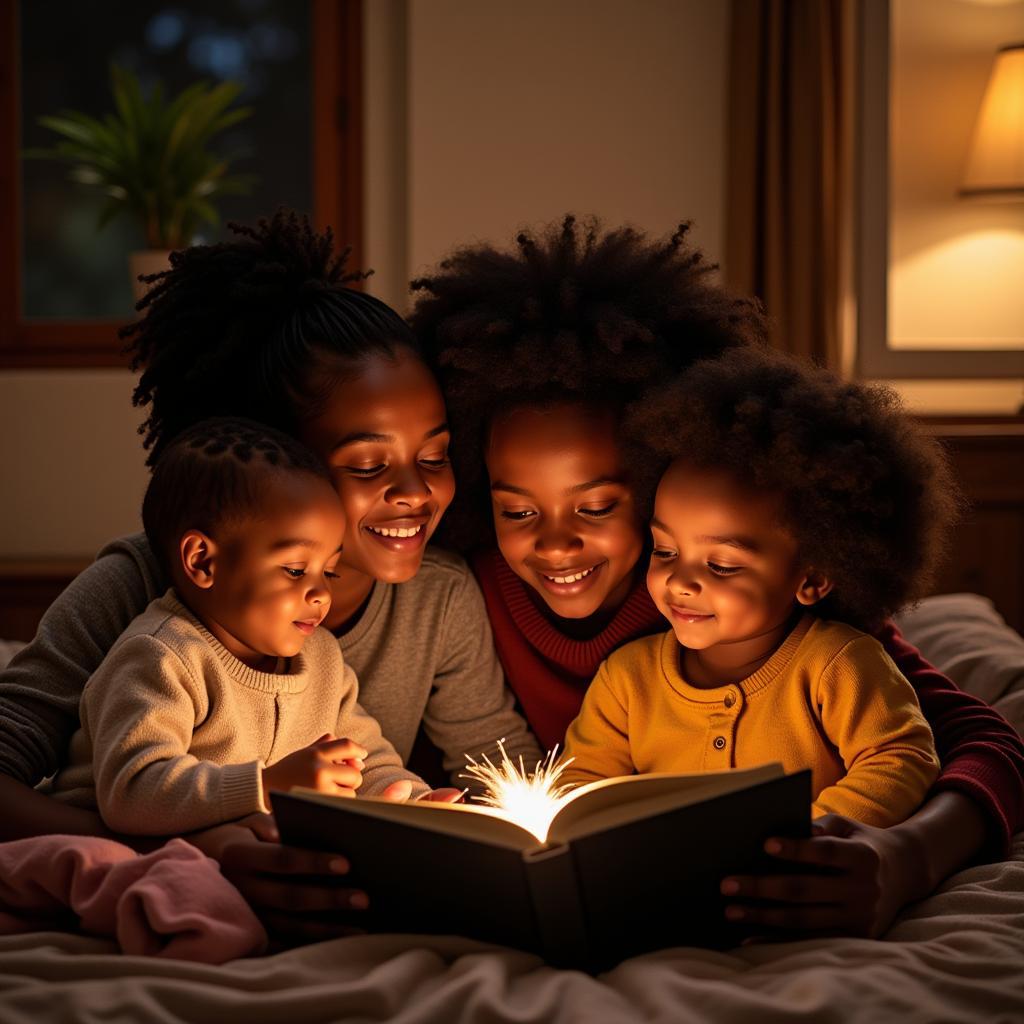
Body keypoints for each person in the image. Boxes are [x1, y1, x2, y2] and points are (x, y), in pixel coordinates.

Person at [412, 214, 1024, 937]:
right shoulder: (455, 599)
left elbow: (984, 744)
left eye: (602, 503)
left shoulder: (789, 617)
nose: (556, 545)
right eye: (516, 510)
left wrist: (906, 860)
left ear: (668, 471)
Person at [0, 211, 540, 943]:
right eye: (367, 465)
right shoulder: (145, 590)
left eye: (435, 456)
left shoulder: (439, 601)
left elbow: (483, 772)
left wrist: (431, 810)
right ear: (282, 462)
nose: (416, 493)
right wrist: (188, 851)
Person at [560, 348, 944, 827]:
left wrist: (813, 835)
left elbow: (900, 758)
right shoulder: (626, 680)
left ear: (814, 577)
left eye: (720, 565)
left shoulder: (837, 666)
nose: (680, 581)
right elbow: (581, 786)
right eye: (664, 550)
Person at [50, 418, 455, 835]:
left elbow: (365, 759)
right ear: (202, 561)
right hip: (107, 851)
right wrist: (265, 785)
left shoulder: (321, 661)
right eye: (296, 570)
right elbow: (131, 794)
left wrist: (414, 800)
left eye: (328, 572)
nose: (320, 595)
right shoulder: (160, 657)